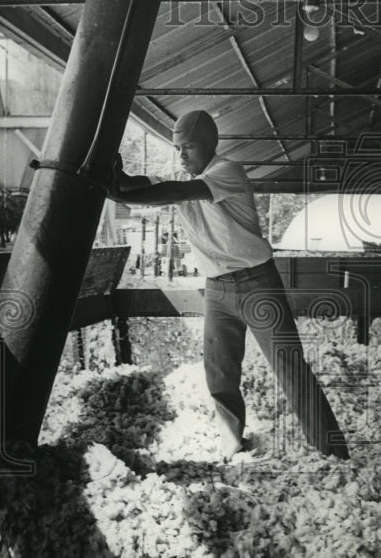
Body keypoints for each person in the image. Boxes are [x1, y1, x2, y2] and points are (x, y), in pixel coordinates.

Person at [108, 110, 349, 461]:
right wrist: (114, 177)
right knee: (219, 372)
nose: (182, 156)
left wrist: (118, 193)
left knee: (289, 367)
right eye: (177, 149)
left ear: (210, 145)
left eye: (187, 148)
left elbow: (176, 191)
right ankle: (232, 443)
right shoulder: (186, 173)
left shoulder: (226, 172)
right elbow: (140, 183)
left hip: (257, 284)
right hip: (218, 290)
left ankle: (333, 452)